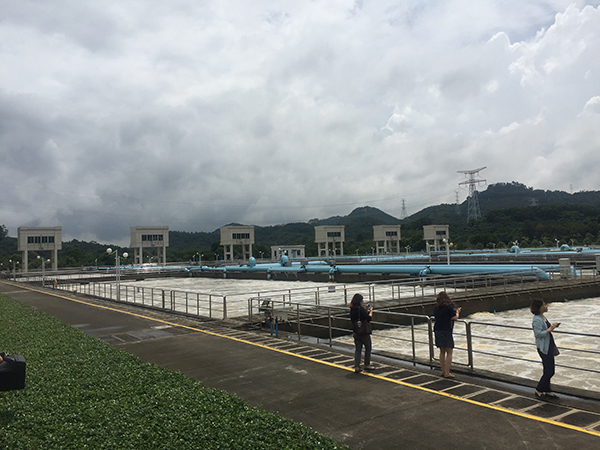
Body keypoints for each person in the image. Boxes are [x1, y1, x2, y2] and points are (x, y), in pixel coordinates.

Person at [531, 298, 560, 399]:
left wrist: (552, 326)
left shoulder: (542, 317)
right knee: (549, 371)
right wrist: (550, 329)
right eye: (543, 305)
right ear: (538, 307)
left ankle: (547, 390)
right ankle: (539, 390)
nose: (545, 306)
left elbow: (546, 329)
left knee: (548, 369)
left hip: (549, 345)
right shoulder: (537, 319)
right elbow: (538, 334)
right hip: (544, 347)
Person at [433, 291, 461, 378]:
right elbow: (455, 317)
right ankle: (447, 372)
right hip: (446, 330)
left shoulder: (436, 307)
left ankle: (443, 371)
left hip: (437, 329)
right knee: (449, 351)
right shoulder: (448, 307)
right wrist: (458, 312)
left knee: (442, 351)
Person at [349, 293, 373, 373]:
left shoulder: (352, 310)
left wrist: (365, 311)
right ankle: (367, 365)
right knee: (368, 348)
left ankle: (357, 366)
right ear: (359, 301)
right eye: (362, 300)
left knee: (358, 349)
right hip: (364, 332)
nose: (362, 302)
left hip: (356, 332)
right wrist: (371, 311)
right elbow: (368, 318)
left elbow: (358, 318)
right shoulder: (361, 309)